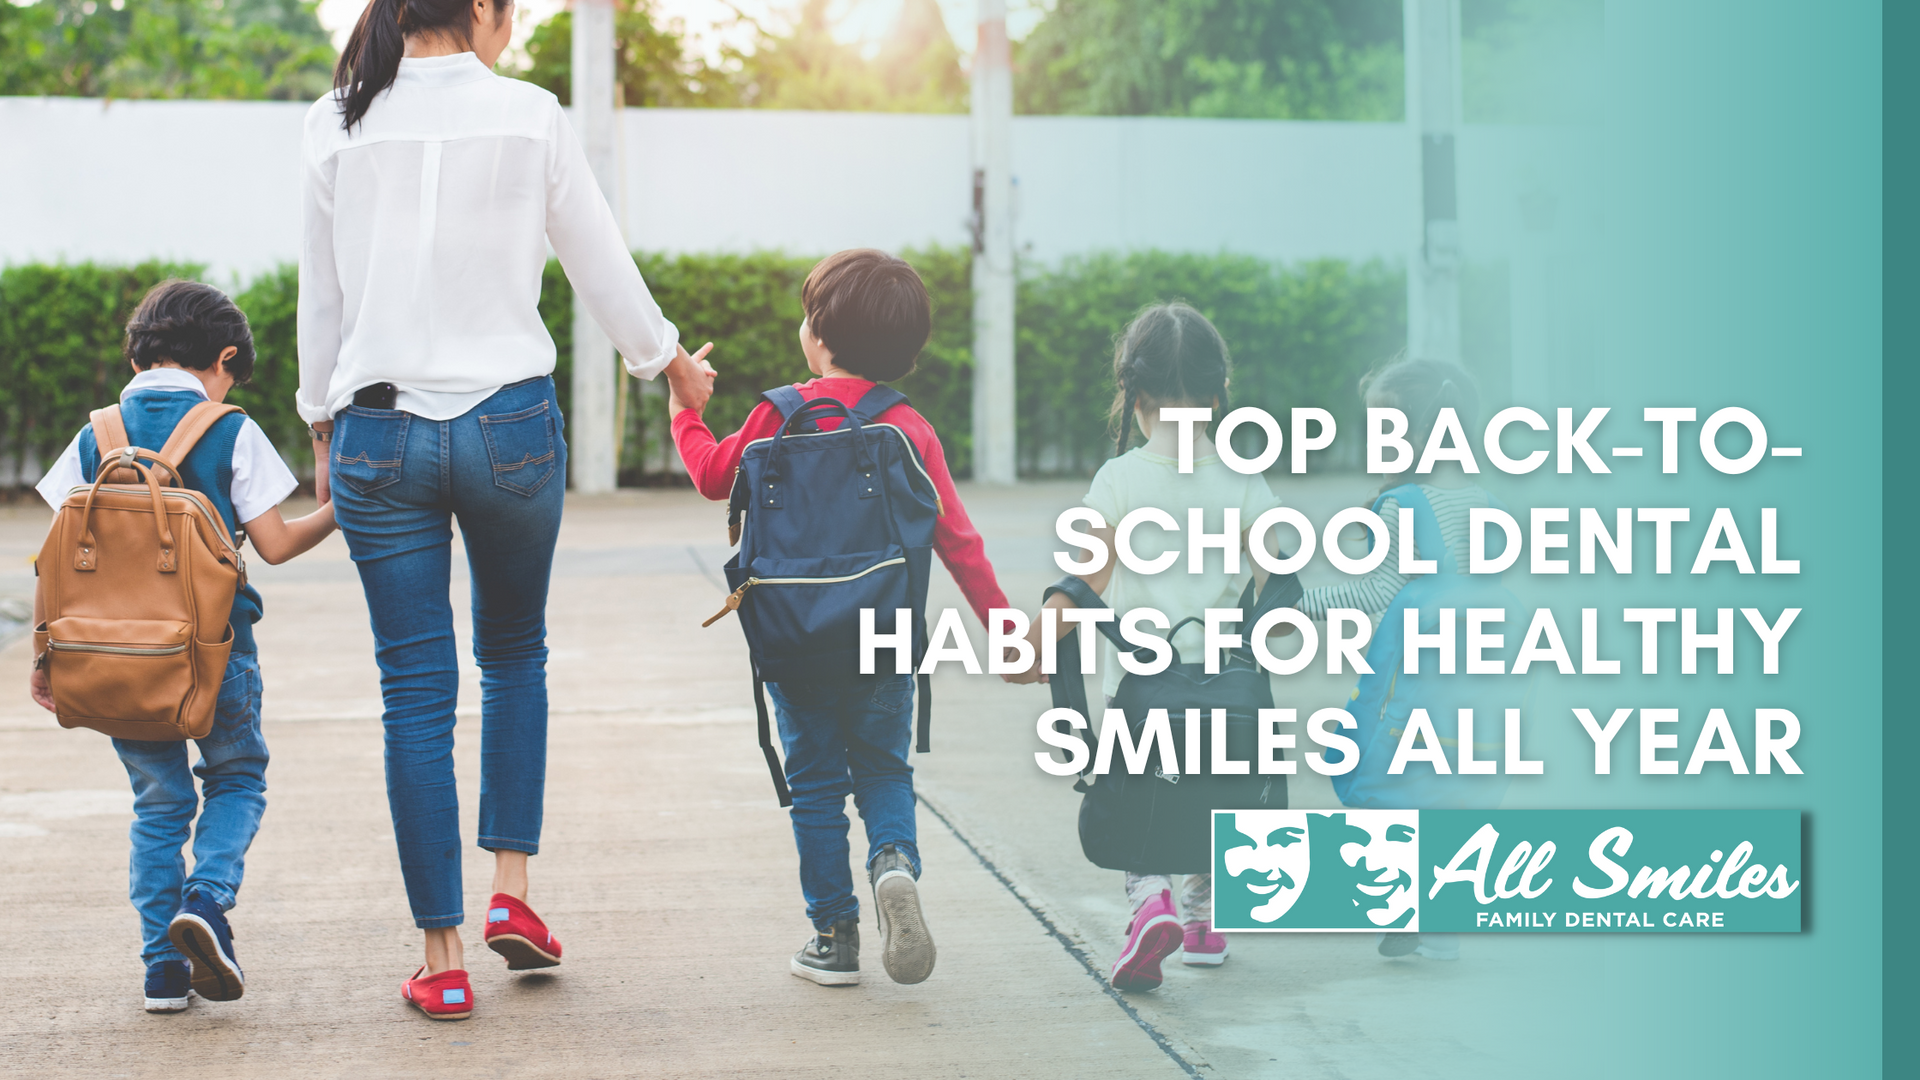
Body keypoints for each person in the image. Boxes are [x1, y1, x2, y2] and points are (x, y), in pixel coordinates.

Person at [300, 0, 714, 1020]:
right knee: (515, 654)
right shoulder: (532, 114)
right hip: (511, 430)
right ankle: (512, 896)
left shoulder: (336, 119)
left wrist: (320, 423)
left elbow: (325, 296)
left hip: (380, 433)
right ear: (482, 11)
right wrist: (669, 365)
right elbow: (597, 261)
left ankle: (440, 960)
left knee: (414, 690)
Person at [671, 249, 1011, 987]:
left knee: (817, 784)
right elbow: (958, 540)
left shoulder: (777, 414)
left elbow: (710, 477)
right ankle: (893, 863)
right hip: (883, 639)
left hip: (792, 642)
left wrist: (684, 410)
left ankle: (835, 937)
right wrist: (1007, 632)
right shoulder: (907, 427)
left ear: (818, 337)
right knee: (885, 767)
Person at [29, 280, 337, 1013]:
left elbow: (55, 555)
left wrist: (46, 656)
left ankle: (162, 974)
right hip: (213, 652)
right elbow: (277, 545)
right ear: (223, 357)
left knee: (158, 805)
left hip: (110, 662)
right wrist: (339, 511)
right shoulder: (228, 426)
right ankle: (208, 898)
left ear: (141, 350)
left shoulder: (93, 433)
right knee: (237, 778)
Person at [1017, 301, 1284, 990]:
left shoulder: (1120, 480)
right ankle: (1202, 922)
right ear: (1219, 398)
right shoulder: (1243, 478)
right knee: (1212, 796)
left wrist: (1035, 644)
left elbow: (1084, 582)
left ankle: (1150, 904)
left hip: (1141, 689)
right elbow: (1279, 586)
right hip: (1225, 687)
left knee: (1143, 801)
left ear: (1135, 400)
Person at [1296, 355, 1492, 963]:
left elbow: (1375, 591)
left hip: (1414, 675)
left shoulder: (1405, 504)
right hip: (1481, 671)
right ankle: (1442, 924)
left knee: (1384, 781)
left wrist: (1297, 606)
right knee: (1452, 785)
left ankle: (1403, 905)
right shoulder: (1486, 497)